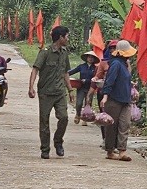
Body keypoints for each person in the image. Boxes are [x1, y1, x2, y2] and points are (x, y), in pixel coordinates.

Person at [28, 25, 73, 159]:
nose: (68, 39)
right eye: (66, 36)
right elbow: (35, 69)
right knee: (44, 121)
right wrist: (31, 87)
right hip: (46, 93)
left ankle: (58, 142)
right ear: (60, 37)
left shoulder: (64, 52)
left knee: (64, 118)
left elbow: (65, 72)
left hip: (60, 92)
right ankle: (45, 149)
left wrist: (70, 89)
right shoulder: (45, 52)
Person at [100, 40, 138, 162]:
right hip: (114, 99)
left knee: (125, 124)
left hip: (125, 100)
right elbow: (109, 80)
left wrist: (131, 86)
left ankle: (122, 151)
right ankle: (110, 151)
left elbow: (122, 79)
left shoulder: (125, 64)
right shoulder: (116, 63)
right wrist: (105, 96)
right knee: (111, 126)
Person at [86, 40, 118, 144]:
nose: (113, 50)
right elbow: (97, 77)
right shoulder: (104, 63)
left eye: (115, 48)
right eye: (111, 48)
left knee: (117, 119)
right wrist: (89, 95)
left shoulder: (125, 63)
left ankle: (115, 141)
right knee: (105, 118)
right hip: (103, 92)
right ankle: (105, 139)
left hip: (118, 93)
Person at [68, 51, 99, 126]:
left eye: (92, 57)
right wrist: (65, 74)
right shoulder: (81, 66)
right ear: (86, 58)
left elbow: (96, 78)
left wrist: (87, 80)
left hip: (90, 88)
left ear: (94, 59)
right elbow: (71, 72)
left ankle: (85, 119)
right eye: (89, 57)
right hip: (81, 87)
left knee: (88, 103)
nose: (90, 59)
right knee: (79, 103)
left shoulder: (95, 68)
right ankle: (78, 114)